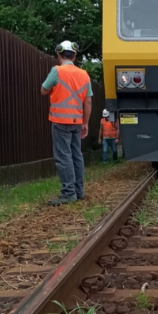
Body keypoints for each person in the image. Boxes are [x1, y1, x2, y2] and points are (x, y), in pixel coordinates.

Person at [41, 40, 92, 205]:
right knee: (76, 155)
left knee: (64, 157)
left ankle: (68, 193)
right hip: (77, 122)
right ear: (75, 55)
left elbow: (43, 90)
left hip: (60, 122)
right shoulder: (84, 74)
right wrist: (85, 123)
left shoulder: (56, 71)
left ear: (59, 55)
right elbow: (88, 102)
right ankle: (79, 191)